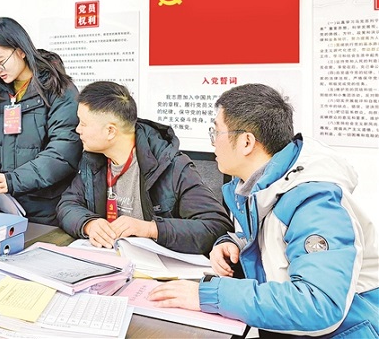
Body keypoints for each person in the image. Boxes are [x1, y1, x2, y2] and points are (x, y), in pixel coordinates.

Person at [148, 83, 379, 337]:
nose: (213, 142)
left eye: (216, 132)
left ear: (246, 142)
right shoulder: (264, 186)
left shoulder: (315, 203)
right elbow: (277, 240)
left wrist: (210, 295)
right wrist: (235, 242)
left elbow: (318, 304)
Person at [56, 81, 232, 254]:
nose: (78, 130)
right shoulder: (93, 161)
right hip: (110, 259)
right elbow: (67, 204)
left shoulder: (170, 165)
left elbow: (216, 226)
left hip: (156, 266)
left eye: (83, 124)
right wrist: (88, 224)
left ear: (110, 131)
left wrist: (150, 229)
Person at [0, 17, 82, 225]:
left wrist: (12, 181)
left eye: (0, 61)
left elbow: (62, 153)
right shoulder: (1, 93)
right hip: (8, 205)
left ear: (21, 51)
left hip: (48, 208)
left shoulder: (58, 89)